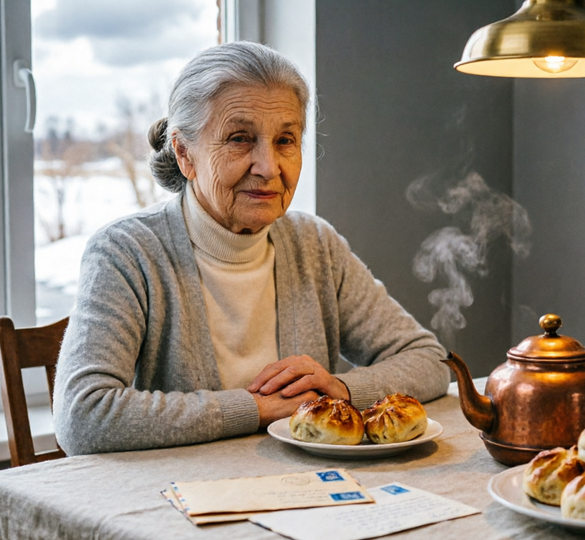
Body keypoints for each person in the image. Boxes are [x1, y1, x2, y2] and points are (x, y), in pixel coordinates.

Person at [53, 42, 449, 455]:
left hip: (312, 493)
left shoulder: (315, 244)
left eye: (285, 140)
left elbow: (430, 361)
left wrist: (342, 388)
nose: (268, 166)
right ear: (185, 154)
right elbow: (83, 416)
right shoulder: (126, 252)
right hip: (180, 500)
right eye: (240, 139)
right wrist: (256, 408)